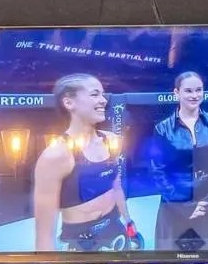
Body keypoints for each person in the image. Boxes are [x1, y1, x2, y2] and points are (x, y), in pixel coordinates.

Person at [32, 74, 139, 252]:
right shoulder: (55, 155)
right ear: (69, 103)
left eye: (102, 94)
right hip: (80, 243)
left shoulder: (112, 140)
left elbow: (116, 186)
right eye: (94, 94)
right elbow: (44, 236)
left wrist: (128, 222)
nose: (103, 100)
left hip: (115, 230)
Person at [149, 71, 208, 249]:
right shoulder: (162, 129)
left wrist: (207, 202)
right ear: (176, 93)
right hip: (175, 206)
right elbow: (157, 171)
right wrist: (185, 206)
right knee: (174, 262)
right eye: (189, 91)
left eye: (199, 90)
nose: (195, 95)